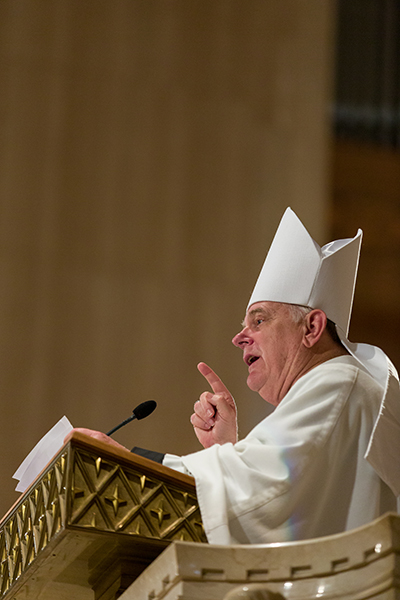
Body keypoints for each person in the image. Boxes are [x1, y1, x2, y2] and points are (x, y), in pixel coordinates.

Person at [73, 208, 400, 544]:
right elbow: (290, 501)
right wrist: (229, 450)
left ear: (312, 327)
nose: (239, 337)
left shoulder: (338, 382)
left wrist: (127, 467)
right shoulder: (343, 387)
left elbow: (261, 489)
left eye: (258, 321)